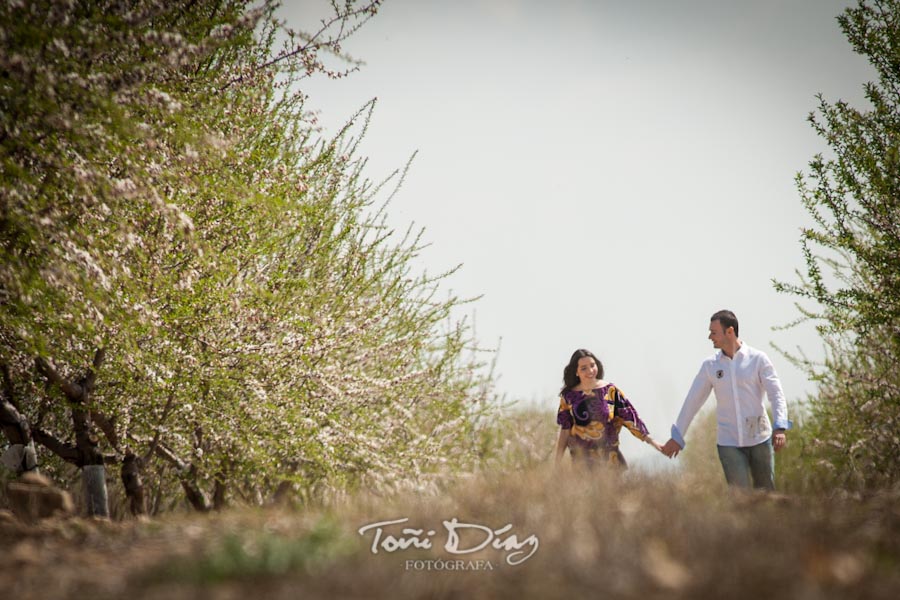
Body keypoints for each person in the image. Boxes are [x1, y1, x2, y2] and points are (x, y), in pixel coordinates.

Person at [661, 310, 792, 490]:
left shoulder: (758, 360)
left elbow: (776, 393)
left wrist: (780, 427)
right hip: (728, 443)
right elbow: (693, 401)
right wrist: (677, 436)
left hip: (760, 439)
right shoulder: (710, 366)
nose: (709, 337)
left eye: (713, 332)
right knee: (740, 497)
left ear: (729, 332)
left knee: (766, 494)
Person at [555, 348, 664, 467]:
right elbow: (565, 431)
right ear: (576, 372)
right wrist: (557, 464)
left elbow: (631, 419)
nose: (590, 370)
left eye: (592, 365)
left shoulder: (610, 391)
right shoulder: (569, 396)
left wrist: (652, 441)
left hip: (610, 462)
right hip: (582, 465)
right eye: (584, 368)